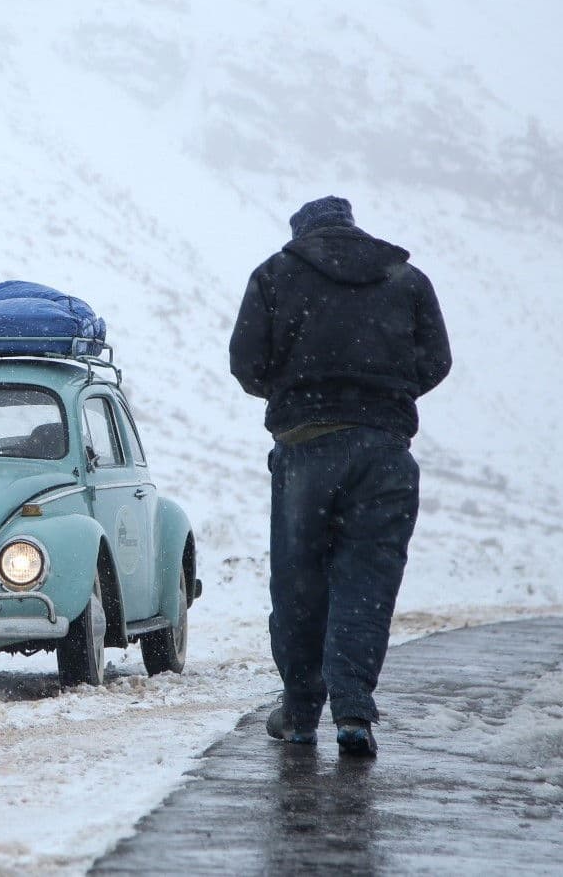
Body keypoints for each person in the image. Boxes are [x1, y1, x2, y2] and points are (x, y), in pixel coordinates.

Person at [228, 196, 451, 756]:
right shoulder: (406, 279)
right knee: (367, 583)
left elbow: (246, 364)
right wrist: (382, 393)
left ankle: (301, 714)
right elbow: (436, 361)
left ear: (302, 232)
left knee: (299, 582)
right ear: (352, 228)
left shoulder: (275, 275)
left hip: (307, 448)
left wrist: (298, 391)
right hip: (384, 453)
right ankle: (353, 711)